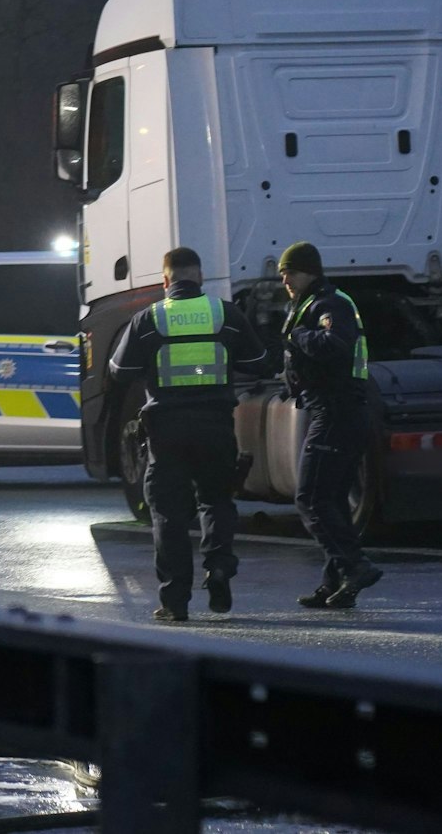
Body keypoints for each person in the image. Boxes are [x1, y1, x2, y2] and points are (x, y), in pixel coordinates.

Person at [106, 248, 268, 622]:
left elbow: (119, 371)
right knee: (217, 500)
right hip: (215, 425)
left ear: (165, 280)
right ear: (200, 276)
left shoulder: (149, 318)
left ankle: (175, 601)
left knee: (168, 514)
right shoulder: (225, 314)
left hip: (166, 430)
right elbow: (259, 363)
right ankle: (219, 567)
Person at [278, 241, 383, 609]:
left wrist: (298, 336)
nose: (285, 280)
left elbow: (334, 344)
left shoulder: (330, 304)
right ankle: (334, 582)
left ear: (310, 271)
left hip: (337, 411)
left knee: (310, 498)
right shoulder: (310, 303)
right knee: (333, 499)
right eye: (283, 274)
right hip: (337, 409)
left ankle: (355, 566)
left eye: (290, 272)